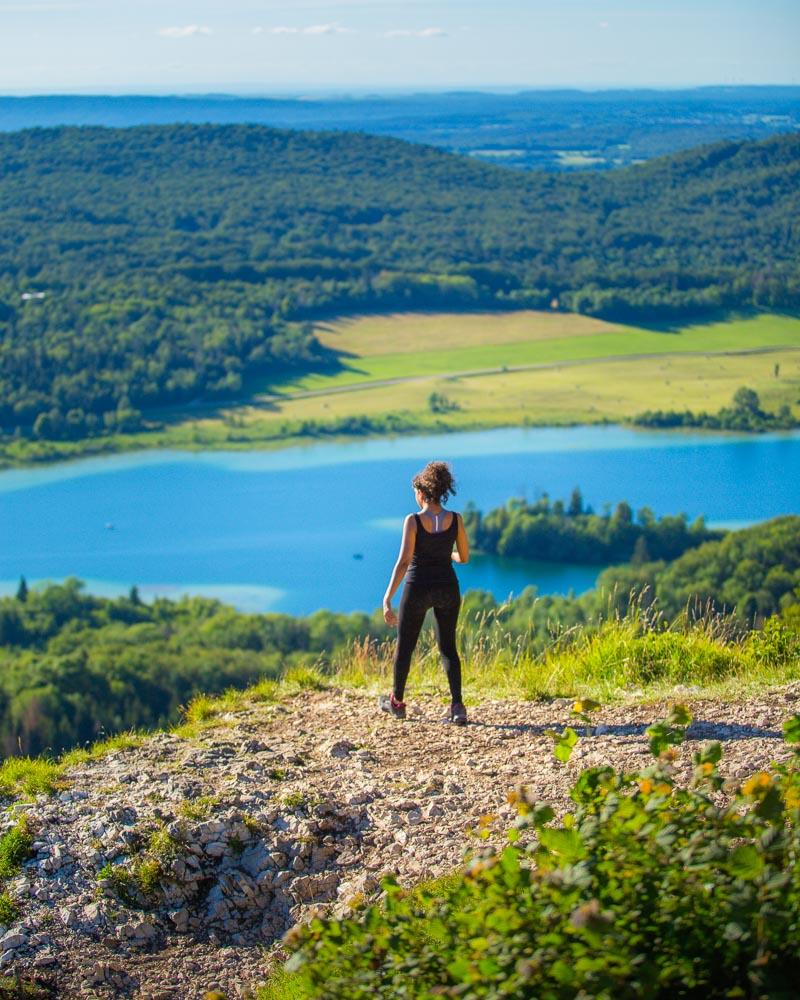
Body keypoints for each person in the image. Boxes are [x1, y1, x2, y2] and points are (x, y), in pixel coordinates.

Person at [380, 461, 470, 725]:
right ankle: (457, 706)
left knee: (405, 647)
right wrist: (447, 555)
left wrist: (387, 599)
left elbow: (404, 562)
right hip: (447, 587)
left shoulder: (413, 521)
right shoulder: (456, 519)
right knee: (448, 648)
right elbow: (463, 557)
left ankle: (396, 702)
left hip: (418, 587)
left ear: (422, 492)